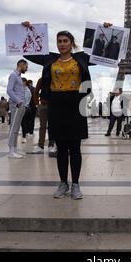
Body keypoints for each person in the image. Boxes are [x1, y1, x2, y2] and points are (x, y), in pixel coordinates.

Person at [22, 21, 110, 200]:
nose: (62, 44)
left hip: (76, 107)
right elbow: (28, 52)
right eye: (59, 41)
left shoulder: (81, 58)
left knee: (75, 148)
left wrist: (106, 31)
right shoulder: (50, 59)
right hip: (56, 106)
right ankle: (63, 183)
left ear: (72, 43)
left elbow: (104, 52)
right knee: (61, 148)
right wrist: (27, 30)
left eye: (65, 41)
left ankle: (75, 184)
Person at [7, 59, 28, 159]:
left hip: (20, 105)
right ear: (21, 65)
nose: (26, 69)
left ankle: (14, 148)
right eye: (26, 67)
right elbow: (9, 90)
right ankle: (11, 151)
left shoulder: (19, 77)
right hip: (16, 105)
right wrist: (18, 101)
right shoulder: (13, 75)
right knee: (13, 128)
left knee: (16, 128)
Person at [31, 77, 56, 155]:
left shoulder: (55, 78)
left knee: (51, 126)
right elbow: (36, 91)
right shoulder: (42, 79)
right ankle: (41, 146)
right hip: (43, 104)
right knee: (43, 126)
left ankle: (50, 145)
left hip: (53, 105)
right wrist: (37, 104)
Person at [21, 78, 32, 144]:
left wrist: (24, 106)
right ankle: (25, 134)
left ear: (25, 82)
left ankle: (24, 136)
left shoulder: (27, 90)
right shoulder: (21, 89)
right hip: (22, 108)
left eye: (22, 82)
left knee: (24, 122)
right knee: (24, 122)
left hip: (25, 108)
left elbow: (27, 100)